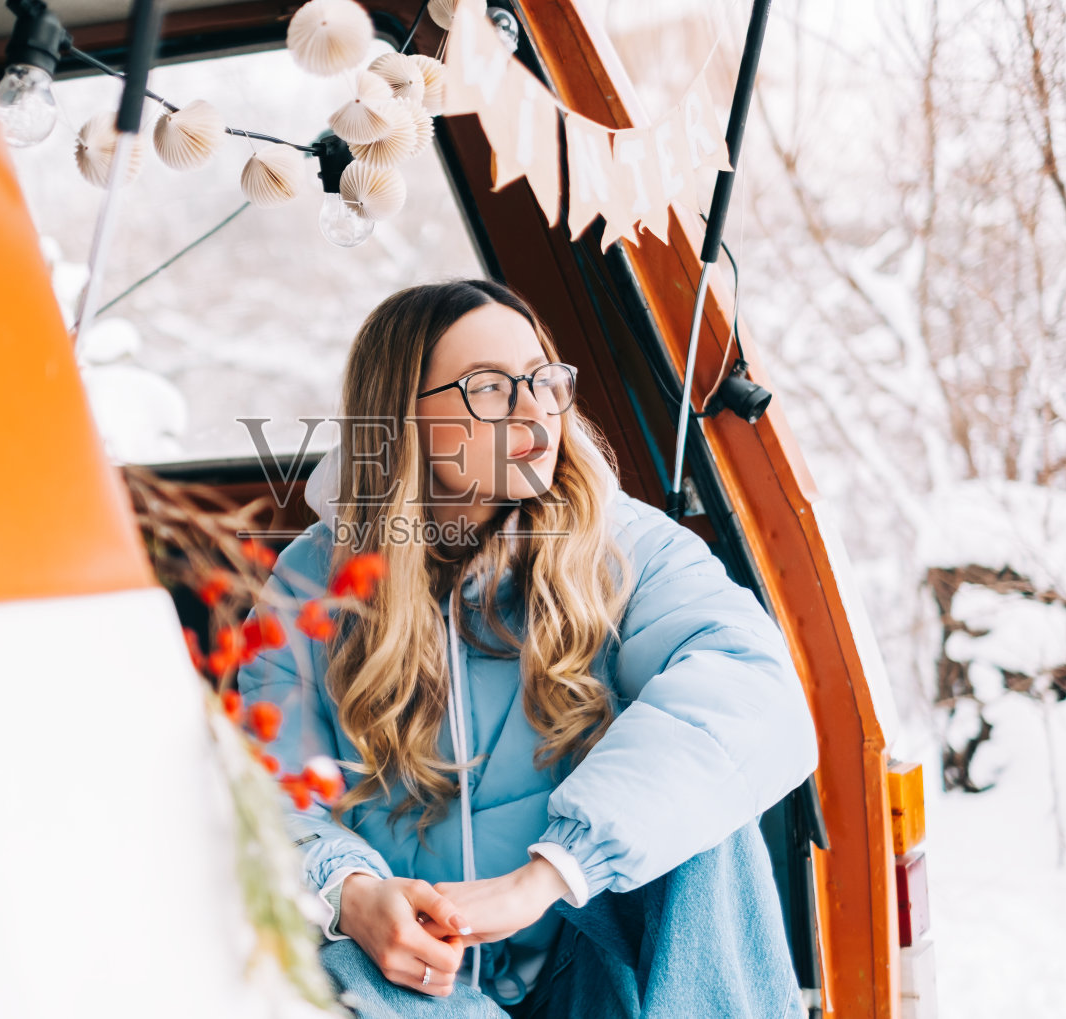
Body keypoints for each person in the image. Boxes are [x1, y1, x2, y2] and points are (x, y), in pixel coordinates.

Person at [238, 280, 818, 1017]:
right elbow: (262, 792)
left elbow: (752, 684)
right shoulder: (317, 579)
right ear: (404, 416)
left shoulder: (621, 546)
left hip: (588, 960)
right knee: (341, 954)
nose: (536, 410)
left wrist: (552, 871)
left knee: (702, 812)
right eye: (489, 387)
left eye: (545, 380)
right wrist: (350, 892)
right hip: (419, 983)